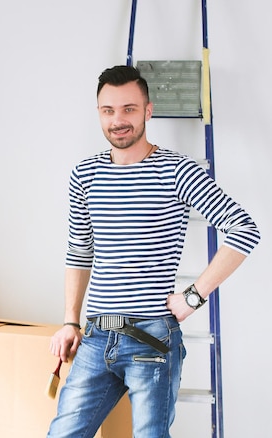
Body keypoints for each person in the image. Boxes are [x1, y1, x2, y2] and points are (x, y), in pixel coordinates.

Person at [46, 66, 260, 437]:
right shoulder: (85, 174)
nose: (118, 120)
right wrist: (70, 321)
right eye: (108, 110)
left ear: (148, 110)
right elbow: (80, 249)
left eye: (129, 109)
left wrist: (194, 296)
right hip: (96, 338)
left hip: (152, 340)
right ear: (98, 113)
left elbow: (244, 229)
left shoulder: (177, 170)